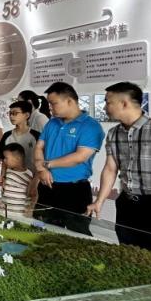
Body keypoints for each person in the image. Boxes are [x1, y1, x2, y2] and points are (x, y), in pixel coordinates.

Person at [89, 82, 151, 260]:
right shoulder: (113, 134)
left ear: (124, 103)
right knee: (130, 256)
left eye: (108, 102)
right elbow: (110, 169)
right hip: (127, 205)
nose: (105, 107)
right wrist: (99, 201)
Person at [32, 82, 104, 235]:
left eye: (53, 103)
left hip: (74, 191)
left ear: (70, 101)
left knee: (77, 235)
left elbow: (79, 157)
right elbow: (39, 147)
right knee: (41, 231)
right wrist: (40, 169)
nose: (50, 107)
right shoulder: (52, 123)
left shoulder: (91, 126)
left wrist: (47, 165)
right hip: (48, 187)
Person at [0, 100, 40, 180]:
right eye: (10, 113)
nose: (11, 116)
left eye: (15, 113)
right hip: (12, 179)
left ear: (27, 115)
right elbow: (4, 161)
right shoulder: (7, 135)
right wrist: (2, 176)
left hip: (31, 179)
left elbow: (41, 161)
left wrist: (36, 181)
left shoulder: (36, 136)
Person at [0, 144, 34, 216]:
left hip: (20, 213)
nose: (4, 160)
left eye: (6, 158)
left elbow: (32, 194)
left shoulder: (28, 175)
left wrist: (30, 208)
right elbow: (1, 181)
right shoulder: (8, 171)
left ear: (17, 159)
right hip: (5, 211)